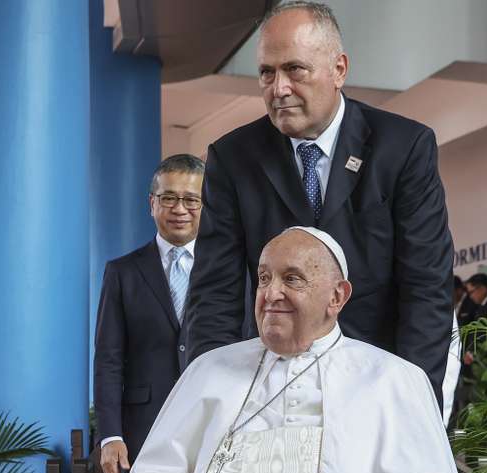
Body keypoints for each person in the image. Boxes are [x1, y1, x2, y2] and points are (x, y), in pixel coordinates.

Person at [186, 1, 454, 410]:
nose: (279, 88)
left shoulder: (403, 148)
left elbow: (425, 289)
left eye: (295, 69)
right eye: (266, 72)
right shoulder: (231, 159)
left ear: (339, 69)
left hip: (376, 385)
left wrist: (411, 404)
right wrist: (213, 402)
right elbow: (214, 298)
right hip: (267, 394)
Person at [125, 227, 465, 473]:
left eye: (292, 278)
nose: (271, 293)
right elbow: (157, 471)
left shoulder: (393, 378)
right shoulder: (208, 370)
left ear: (337, 296)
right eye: (263, 278)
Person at [93, 154, 205, 473]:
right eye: (168, 198)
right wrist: (111, 434)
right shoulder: (122, 272)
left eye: (191, 199)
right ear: (151, 204)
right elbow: (108, 359)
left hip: (214, 424)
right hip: (143, 427)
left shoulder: (229, 270)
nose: (179, 209)